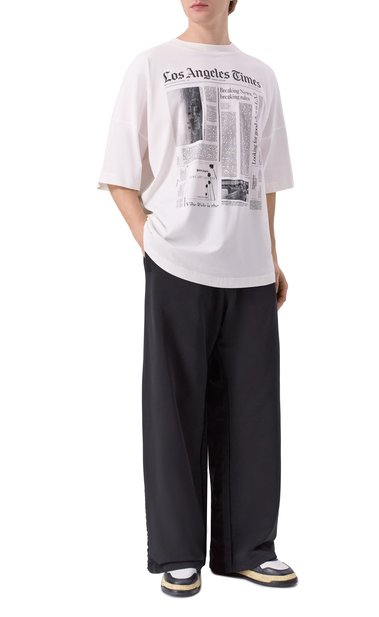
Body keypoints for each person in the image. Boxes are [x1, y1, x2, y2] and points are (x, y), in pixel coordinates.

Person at [97, 0, 298, 597]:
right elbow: (119, 172)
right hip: (176, 262)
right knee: (173, 409)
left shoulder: (261, 74)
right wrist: (150, 241)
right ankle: (179, 553)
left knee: (253, 413)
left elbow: (265, 178)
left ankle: (248, 548)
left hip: (249, 269)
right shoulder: (152, 65)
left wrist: (271, 254)